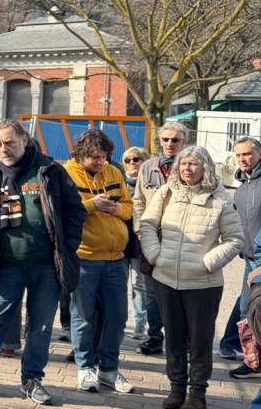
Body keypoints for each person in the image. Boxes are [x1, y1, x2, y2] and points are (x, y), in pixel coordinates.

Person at [0, 120, 85, 406]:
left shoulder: (49, 170)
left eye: (10, 142)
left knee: (41, 326)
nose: (4, 148)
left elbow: (75, 210)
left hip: (47, 266)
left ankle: (32, 379)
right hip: (5, 265)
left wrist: (68, 245)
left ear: (25, 140)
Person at [140, 146, 243, 409]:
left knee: (200, 340)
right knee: (173, 336)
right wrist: (154, 254)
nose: (187, 168)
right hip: (165, 279)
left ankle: (197, 393)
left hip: (202, 284)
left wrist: (207, 263)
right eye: (184, 163)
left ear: (205, 167)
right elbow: (148, 223)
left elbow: (235, 240)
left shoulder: (220, 199)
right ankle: (176, 388)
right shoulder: (167, 192)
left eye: (194, 164)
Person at [65, 129, 135, 394]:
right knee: (83, 317)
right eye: (94, 157)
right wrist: (92, 204)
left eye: (104, 157)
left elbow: (129, 208)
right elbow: (63, 211)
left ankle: (109, 369)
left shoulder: (114, 172)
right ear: (80, 154)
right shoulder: (66, 174)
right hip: (84, 257)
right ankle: (85, 368)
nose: (100, 162)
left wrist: (117, 208)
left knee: (117, 317)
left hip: (116, 258)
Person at [132, 122, 188, 356]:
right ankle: (154, 337)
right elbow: (138, 200)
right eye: (165, 139)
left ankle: (183, 340)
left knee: (181, 289)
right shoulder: (147, 167)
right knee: (152, 291)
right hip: (151, 238)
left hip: (183, 239)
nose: (169, 144)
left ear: (184, 142)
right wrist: (139, 228)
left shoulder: (191, 165)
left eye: (175, 140)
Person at [223, 137, 261, 376]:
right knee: (247, 311)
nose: (242, 159)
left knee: (255, 311)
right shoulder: (243, 185)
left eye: (247, 154)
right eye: (238, 155)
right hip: (249, 259)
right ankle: (252, 361)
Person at [121, 147, 150, 339]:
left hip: (140, 242)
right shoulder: (118, 182)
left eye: (136, 159)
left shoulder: (149, 185)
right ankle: (120, 323)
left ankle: (140, 325)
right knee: (119, 284)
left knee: (139, 284)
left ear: (144, 161)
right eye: (127, 160)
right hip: (121, 241)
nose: (132, 163)